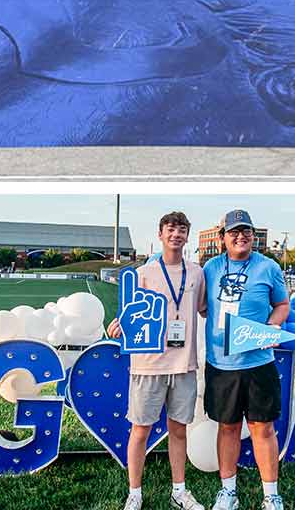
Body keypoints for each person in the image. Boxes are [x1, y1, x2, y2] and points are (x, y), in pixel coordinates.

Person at [106, 210, 205, 510]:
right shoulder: (142, 274)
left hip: (183, 365)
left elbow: (204, 309)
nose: (176, 234)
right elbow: (130, 312)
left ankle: (179, 490)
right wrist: (120, 322)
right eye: (171, 229)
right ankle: (134, 492)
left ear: (187, 235)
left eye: (182, 229)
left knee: (178, 430)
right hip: (149, 364)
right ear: (160, 234)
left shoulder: (197, 273)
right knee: (141, 430)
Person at [202, 209, 290, 510]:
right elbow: (200, 307)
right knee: (227, 427)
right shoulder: (211, 268)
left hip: (258, 363)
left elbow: (282, 304)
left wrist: (271, 326)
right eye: (233, 232)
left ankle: (271, 495)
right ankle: (228, 492)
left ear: (253, 235)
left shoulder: (268, 267)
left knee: (261, 428)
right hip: (221, 364)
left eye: (246, 231)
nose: (240, 236)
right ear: (222, 237)